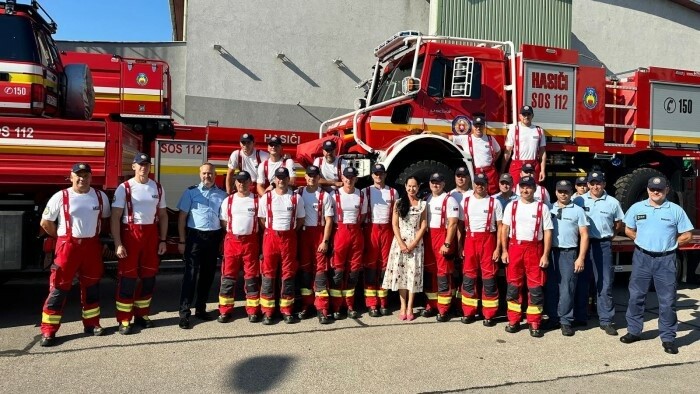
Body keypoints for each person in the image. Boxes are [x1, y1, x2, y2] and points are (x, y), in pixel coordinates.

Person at [38, 163, 110, 347]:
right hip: (68, 247)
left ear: (91, 178)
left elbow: (105, 220)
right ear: (71, 177)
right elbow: (45, 223)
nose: (82, 179)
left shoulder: (100, 197)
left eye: (86, 175)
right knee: (59, 288)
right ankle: (48, 330)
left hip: (91, 247)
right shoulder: (60, 197)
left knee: (91, 286)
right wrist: (62, 237)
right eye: (78, 175)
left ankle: (92, 324)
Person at [620, 176, 692, 355]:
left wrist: (672, 244)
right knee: (636, 296)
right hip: (642, 257)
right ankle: (634, 331)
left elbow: (687, 234)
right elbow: (627, 228)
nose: (656, 192)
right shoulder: (637, 208)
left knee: (667, 301)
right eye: (652, 189)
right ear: (647, 189)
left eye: (659, 189)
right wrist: (640, 240)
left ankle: (668, 338)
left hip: (666, 260)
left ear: (666, 190)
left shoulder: (675, 210)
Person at [111, 152, 168, 335]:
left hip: (151, 235)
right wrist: (118, 243)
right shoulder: (124, 188)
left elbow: (163, 215)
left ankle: (142, 314)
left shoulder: (157, 188)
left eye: (146, 165)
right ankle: (124, 319)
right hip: (130, 234)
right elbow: (115, 217)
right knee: (127, 279)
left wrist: (163, 240)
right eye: (140, 164)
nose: (144, 167)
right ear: (134, 167)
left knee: (148, 277)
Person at [500, 175, 553, 337]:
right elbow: (504, 229)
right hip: (515, 247)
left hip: (534, 250)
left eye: (528, 187)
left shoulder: (542, 207)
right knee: (513, 286)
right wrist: (504, 250)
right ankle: (514, 321)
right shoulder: (512, 206)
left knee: (535, 287)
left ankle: (534, 322)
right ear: (518, 189)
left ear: (534, 189)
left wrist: (545, 254)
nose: (525, 190)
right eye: (522, 187)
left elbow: (548, 232)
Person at [573, 171, 624, 336]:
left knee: (604, 282)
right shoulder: (578, 200)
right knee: (582, 282)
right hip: (583, 246)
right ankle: (580, 317)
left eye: (599, 183)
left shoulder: (613, 202)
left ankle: (606, 320)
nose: (595, 186)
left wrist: (609, 237)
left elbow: (617, 224)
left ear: (604, 184)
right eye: (592, 183)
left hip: (602, 245)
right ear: (588, 184)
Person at [176, 163, 227, 329]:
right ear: (200, 174)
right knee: (190, 276)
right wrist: (182, 241)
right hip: (195, 237)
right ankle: (184, 313)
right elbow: (182, 218)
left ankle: (201, 309)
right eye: (205, 173)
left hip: (213, 238)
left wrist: (222, 241)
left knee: (207, 275)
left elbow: (224, 220)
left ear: (215, 175)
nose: (207, 176)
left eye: (211, 173)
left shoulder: (223, 195)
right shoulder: (191, 192)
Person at [258, 167, 305, 324]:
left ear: (288, 179)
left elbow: (300, 220)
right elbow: (262, 220)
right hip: (271, 237)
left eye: (284, 177)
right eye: (278, 177)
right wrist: (273, 232)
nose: (281, 180)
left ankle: (286, 309)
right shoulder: (266, 197)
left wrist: (288, 232)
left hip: (289, 238)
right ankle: (268, 311)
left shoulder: (296, 198)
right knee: (268, 273)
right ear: (274, 179)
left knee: (288, 274)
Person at [544, 180, 589, 336]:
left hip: (569, 253)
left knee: (567, 288)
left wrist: (581, 257)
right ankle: (553, 318)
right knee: (551, 287)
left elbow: (584, 235)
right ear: (555, 192)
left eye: (566, 191)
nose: (563, 194)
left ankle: (566, 321)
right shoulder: (548, 208)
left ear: (571, 193)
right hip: (551, 252)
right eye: (560, 191)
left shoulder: (578, 211)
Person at [217, 170, 262, 323]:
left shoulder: (257, 200)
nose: (241, 184)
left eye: (244, 181)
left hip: (251, 243)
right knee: (228, 277)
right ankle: (225, 310)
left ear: (250, 183)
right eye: (239, 181)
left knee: (251, 278)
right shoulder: (228, 201)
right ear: (235, 183)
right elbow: (223, 222)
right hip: (232, 242)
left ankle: (253, 310)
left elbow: (262, 222)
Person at [459, 173, 503, 326]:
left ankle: (489, 314)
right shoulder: (466, 201)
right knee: (469, 277)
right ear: (474, 185)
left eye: (482, 183)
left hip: (488, 241)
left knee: (489, 277)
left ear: (486, 184)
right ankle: (468, 312)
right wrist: (460, 246)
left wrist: (498, 248)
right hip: (470, 240)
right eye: (477, 183)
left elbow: (501, 227)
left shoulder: (494, 203)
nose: (479, 186)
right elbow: (460, 226)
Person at [382, 176, 427, 321]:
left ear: (418, 188)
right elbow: (395, 224)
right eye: (409, 186)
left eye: (414, 186)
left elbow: (423, 226)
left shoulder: (423, 204)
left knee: (412, 276)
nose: (411, 189)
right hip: (400, 243)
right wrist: (401, 243)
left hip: (416, 243)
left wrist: (413, 244)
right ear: (405, 186)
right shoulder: (399, 203)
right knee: (401, 275)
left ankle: (410, 307)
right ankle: (402, 306)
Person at [296, 165, 334, 324]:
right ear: (305, 177)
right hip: (303, 235)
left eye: (315, 175)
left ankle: (322, 308)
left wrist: (325, 241)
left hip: (318, 235)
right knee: (305, 271)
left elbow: (329, 220)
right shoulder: (299, 193)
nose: (312, 178)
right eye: (309, 175)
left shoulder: (325, 196)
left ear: (319, 178)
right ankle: (306, 305)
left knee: (320, 273)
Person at [330, 166, 368, 319]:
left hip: (356, 232)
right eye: (347, 177)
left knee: (353, 271)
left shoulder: (361, 195)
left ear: (356, 179)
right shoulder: (334, 195)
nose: (349, 180)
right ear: (342, 178)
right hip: (340, 231)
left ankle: (350, 305)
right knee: (338, 271)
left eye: (352, 177)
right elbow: (329, 217)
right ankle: (336, 305)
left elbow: (363, 216)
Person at [423, 172, 459, 322]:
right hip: (429, 238)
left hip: (442, 239)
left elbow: (453, 223)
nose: (435, 184)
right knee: (430, 273)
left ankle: (444, 309)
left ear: (443, 184)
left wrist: (447, 243)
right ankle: (431, 304)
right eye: (433, 182)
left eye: (438, 182)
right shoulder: (427, 199)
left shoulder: (449, 200)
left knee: (443, 274)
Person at [363, 163, 397, 317]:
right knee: (370, 266)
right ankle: (371, 303)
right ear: (372, 176)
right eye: (376, 174)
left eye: (381, 173)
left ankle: (383, 301)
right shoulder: (366, 192)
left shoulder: (393, 192)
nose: (378, 176)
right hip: (371, 229)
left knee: (385, 266)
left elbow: (395, 216)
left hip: (387, 230)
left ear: (385, 175)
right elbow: (362, 215)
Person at [452, 116, 501, 195]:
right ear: (472, 127)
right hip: (475, 172)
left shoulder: (490, 139)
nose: (478, 128)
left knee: (493, 194)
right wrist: (433, 133)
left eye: (480, 126)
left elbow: (498, 151)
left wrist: (492, 161)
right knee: (477, 194)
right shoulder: (465, 139)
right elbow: (448, 137)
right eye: (476, 126)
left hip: (490, 173)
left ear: (484, 127)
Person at [502, 105, 546, 185]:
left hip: (533, 165)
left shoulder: (539, 130)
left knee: (533, 191)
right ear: (519, 116)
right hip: (517, 165)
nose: (526, 117)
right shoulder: (513, 130)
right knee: (515, 191)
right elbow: (508, 151)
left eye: (528, 114)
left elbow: (542, 152)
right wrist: (502, 169)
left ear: (532, 116)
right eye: (524, 114)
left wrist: (542, 170)